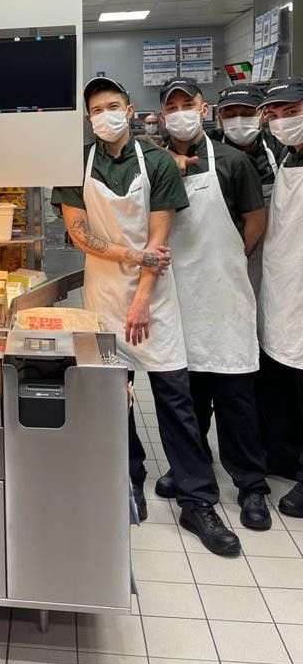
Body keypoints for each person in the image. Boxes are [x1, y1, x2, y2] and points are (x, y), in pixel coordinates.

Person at [53, 77, 240, 556]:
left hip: (152, 300)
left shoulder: (156, 162)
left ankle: (198, 501)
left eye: (113, 106)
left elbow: (160, 242)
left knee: (175, 399)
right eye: (96, 110)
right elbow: (80, 234)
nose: (105, 116)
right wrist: (133, 258)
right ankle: (128, 481)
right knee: (114, 399)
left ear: (131, 109)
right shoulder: (77, 164)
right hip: (102, 298)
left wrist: (141, 298)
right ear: (88, 117)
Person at [155, 77, 271, 529]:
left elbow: (255, 220)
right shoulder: (155, 164)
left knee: (236, 398)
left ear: (203, 109)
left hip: (223, 296)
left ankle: (251, 484)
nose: (180, 113)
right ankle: (190, 466)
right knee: (188, 394)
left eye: (187, 104)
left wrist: (230, 259)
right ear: (162, 116)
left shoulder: (232, 162)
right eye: (172, 107)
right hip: (177, 294)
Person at [256, 77, 303, 507]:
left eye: (292, 112)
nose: (282, 121)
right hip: (283, 285)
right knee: (284, 383)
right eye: (275, 114)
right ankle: (284, 457)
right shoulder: (287, 157)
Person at [210, 84, 284, 298]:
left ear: (262, 114)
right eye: (230, 115)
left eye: (247, 113)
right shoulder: (208, 146)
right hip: (220, 253)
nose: (238, 120)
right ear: (220, 117)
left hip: (269, 250)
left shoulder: (278, 144)